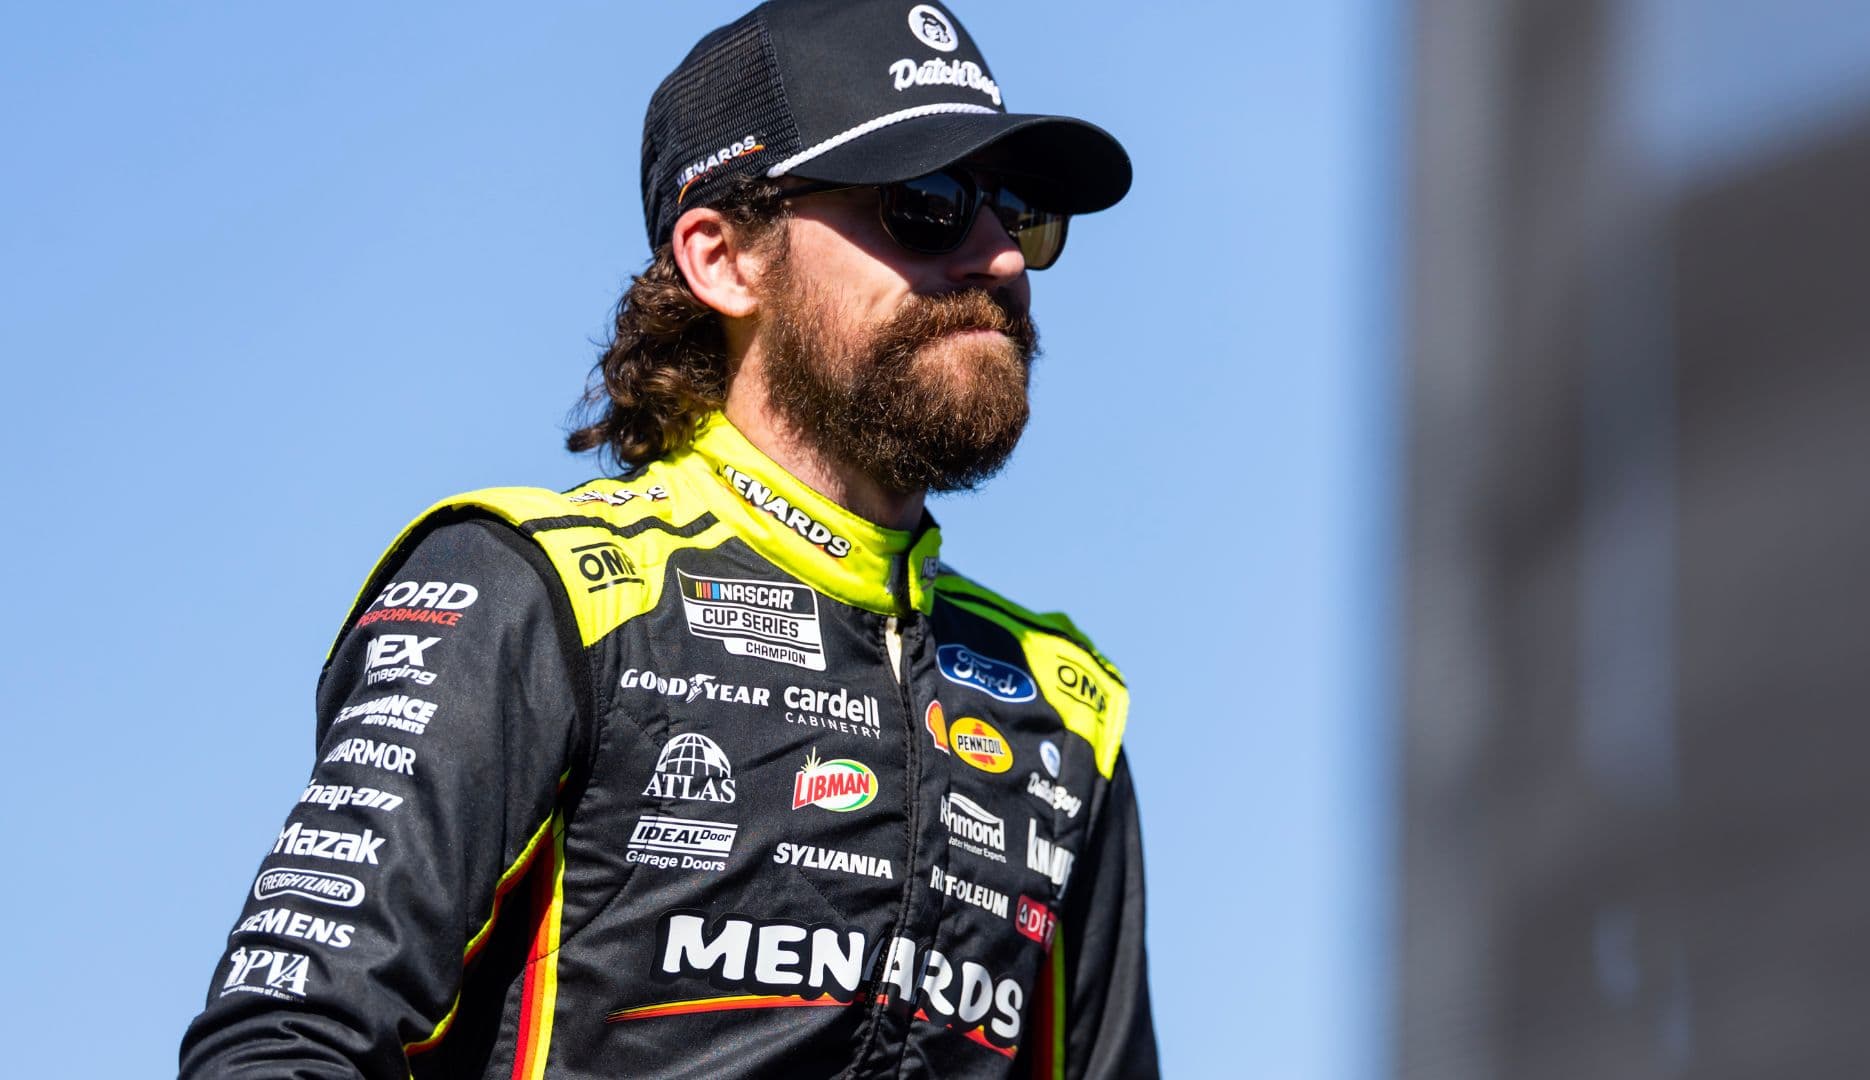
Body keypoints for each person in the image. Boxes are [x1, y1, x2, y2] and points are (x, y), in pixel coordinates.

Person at [179, 1, 1155, 1076]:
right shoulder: (535, 589)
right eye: (927, 204)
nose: (999, 258)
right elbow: (284, 1043)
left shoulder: (1063, 704)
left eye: (1017, 213)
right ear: (724, 257)